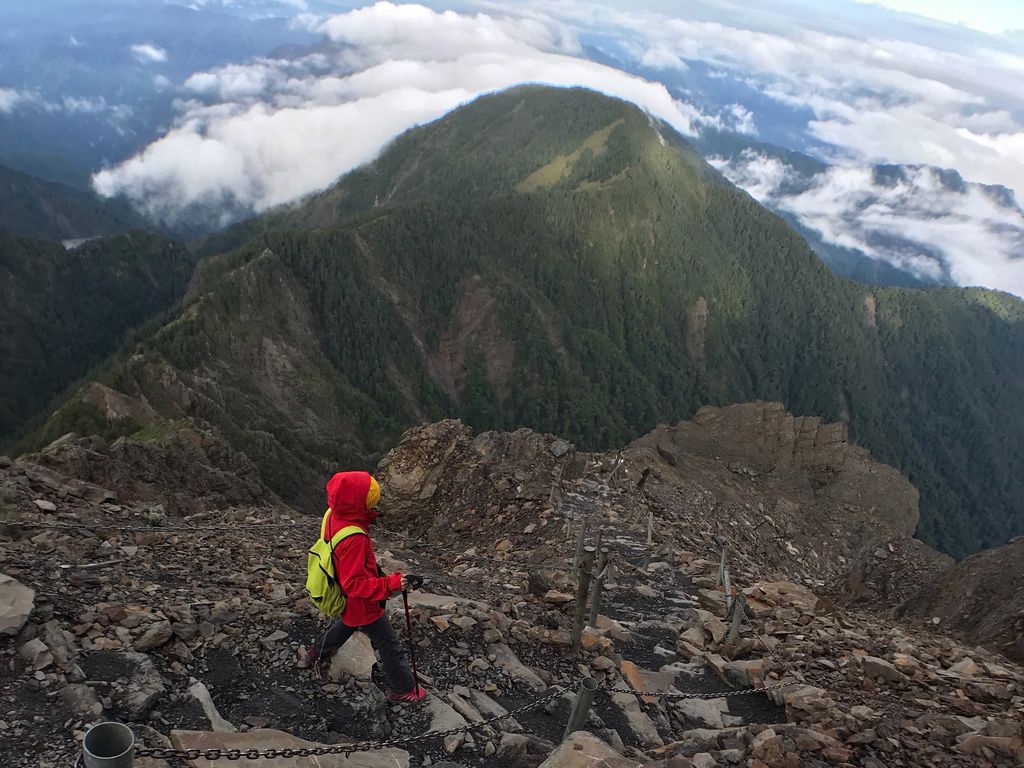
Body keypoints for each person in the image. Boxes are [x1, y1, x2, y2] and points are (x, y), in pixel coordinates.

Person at [299, 470, 426, 703]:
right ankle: (404, 689)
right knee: (388, 642)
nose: (374, 501)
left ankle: (316, 652)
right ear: (357, 502)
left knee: (347, 623)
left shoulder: (332, 514)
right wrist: (396, 582)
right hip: (361, 601)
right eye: (369, 498)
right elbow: (355, 585)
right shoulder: (354, 538)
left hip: (339, 589)